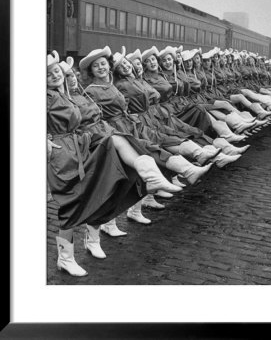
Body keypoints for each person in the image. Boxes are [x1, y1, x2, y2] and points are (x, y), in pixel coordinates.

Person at [48, 51, 149, 276]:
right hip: (63, 154)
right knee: (71, 203)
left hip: (78, 147)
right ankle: (66, 258)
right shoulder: (47, 96)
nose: (59, 76)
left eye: (60, 72)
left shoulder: (63, 94)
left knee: (96, 191)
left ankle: (91, 240)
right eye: (51, 73)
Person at [79, 46, 213, 191]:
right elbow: (95, 118)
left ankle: (191, 166)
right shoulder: (91, 91)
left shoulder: (110, 84)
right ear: (91, 71)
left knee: (160, 141)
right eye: (95, 66)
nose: (100, 68)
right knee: (147, 151)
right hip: (118, 129)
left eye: (103, 63)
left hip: (131, 122)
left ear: (109, 65)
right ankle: (187, 170)